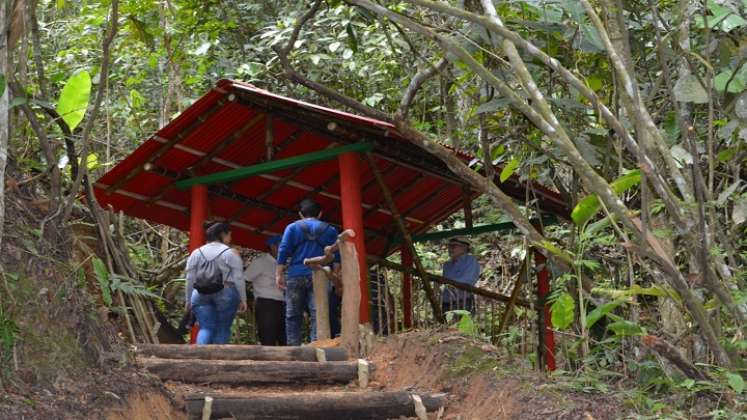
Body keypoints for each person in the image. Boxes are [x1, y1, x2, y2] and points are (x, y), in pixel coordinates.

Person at [276, 199, 339, 345]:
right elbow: (338, 256)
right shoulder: (330, 230)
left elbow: (283, 250)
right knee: (319, 313)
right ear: (320, 214)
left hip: (295, 274)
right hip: (321, 274)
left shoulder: (292, 228)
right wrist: (335, 274)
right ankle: (317, 345)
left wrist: (278, 274)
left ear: (300, 214)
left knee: (292, 314)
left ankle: (293, 348)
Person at [185, 222, 247, 344]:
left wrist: (188, 299)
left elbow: (190, 278)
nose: (231, 238)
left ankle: (201, 358)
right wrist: (243, 299)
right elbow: (238, 278)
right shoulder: (230, 253)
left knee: (206, 328)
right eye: (229, 235)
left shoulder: (196, 253)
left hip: (200, 293)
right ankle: (217, 360)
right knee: (223, 328)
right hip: (226, 292)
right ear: (222, 235)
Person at [244, 235, 286, 346]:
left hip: (282, 304)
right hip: (266, 304)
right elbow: (245, 278)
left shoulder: (282, 263)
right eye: (281, 247)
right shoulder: (261, 261)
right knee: (268, 339)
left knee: (285, 339)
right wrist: (246, 300)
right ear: (272, 246)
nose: (285, 250)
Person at [441, 236, 481, 315]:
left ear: (464, 247)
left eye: (453, 246)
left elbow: (469, 280)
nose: (450, 249)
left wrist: (448, 283)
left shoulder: (470, 260)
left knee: (463, 327)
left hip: (463, 301)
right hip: (446, 302)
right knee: (447, 326)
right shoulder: (447, 265)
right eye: (449, 246)